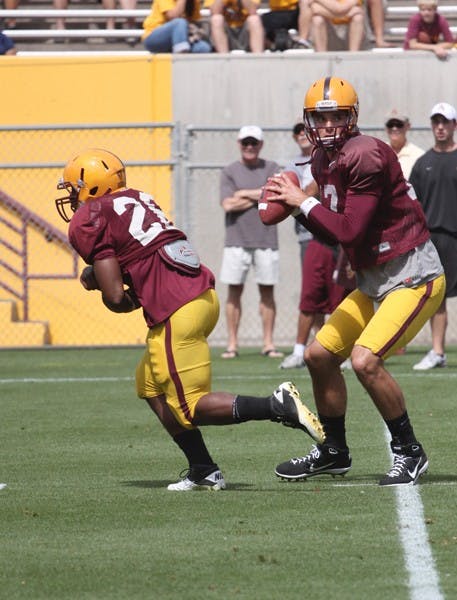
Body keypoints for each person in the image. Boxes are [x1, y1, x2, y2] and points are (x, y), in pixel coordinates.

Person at [54, 148, 325, 491]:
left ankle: (277, 405)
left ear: (91, 186)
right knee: (150, 386)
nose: (72, 196)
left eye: (74, 187)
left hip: (175, 310)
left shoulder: (90, 216)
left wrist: (101, 284)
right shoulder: (138, 198)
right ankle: (202, 467)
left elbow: (116, 298)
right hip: (202, 296)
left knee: (191, 406)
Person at [265, 76, 445, 486]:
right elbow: (334, 233)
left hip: (411, 274)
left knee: (365, 360)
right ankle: (334, 451)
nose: (327, 126)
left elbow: (349, 231)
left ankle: (409, 452)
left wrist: (302, 201)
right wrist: (298, 210)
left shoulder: (366, 154)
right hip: (373, 279)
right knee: (318, 356)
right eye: (319, 117)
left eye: (336, 116)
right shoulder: (321, 160)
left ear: (352, 118)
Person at [279, 121, 349, 370]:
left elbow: (313, 188)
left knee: (341, 294)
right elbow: (289, 193)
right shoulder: (297, 165)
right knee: (311, 293)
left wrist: (304, 196)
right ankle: (301, 350)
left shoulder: (343, 158)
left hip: (340, 231)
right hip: (312, 234)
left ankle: (345, 350)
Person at [219, 125, 283, 359]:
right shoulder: (229, 171)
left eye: (253, 143)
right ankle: (232, 345)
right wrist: (260, 194)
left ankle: (268, 344)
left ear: (261, 144)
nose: (249, 147)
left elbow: (276, 194)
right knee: (234, 291)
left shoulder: (273, 168)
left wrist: (242, 193)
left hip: (266, 240)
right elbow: (227, 204)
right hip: (236, 241)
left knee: (267, 292)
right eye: (245, 143)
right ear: (239, 143)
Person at [409, 102, 457, 371]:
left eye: (445, 122)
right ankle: (438, 352)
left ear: (454, 125)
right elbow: (412, 206)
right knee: (436, 297)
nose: (440, 127)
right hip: (432, 241)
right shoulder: (422, 163)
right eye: (436, 122)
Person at [142, 0, 212, 53]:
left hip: (180, 38)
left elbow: (194, 20)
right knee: (179, 22)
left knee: (203, 47)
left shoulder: (194, 1)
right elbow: (173, 16)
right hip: (154, 37)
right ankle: (181, 57)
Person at [384, 109, 425, 180]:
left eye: (399, 125)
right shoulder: (379, 152)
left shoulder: (419, 155)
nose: (394, 128)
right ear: (386, 128)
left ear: (408, 126)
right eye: (390, 125)